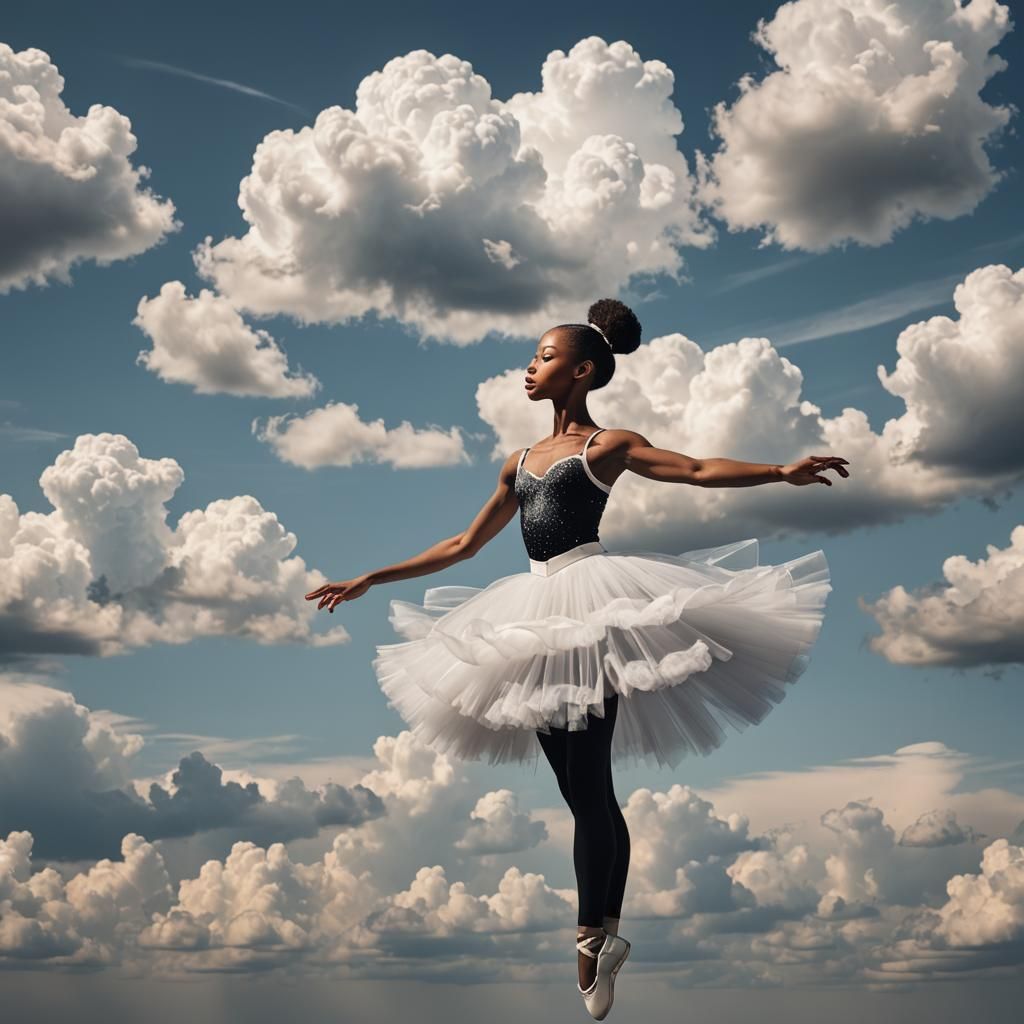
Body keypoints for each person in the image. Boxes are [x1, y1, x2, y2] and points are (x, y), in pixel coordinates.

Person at [306, 298, 846, 1019]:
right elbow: (463, 546)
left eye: (545, 356)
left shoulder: (607, 446)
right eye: (533, 356)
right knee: (575, 792)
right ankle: (604, 937)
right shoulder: (519, 462)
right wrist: (372, 576)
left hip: (590, 611)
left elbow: (689, 468)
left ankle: (596, 933)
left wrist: (780, 470)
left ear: (582, 370)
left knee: (590, 786)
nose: (531, 366)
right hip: (529, 618)